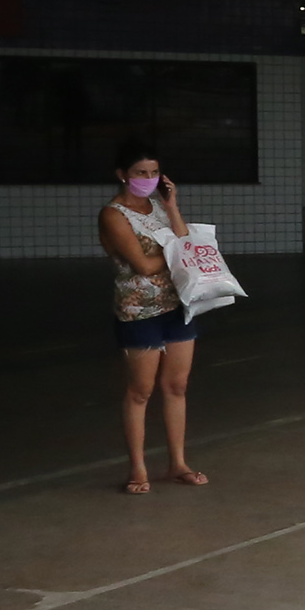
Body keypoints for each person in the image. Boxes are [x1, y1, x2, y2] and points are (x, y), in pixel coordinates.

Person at [100, 140, 204, 494]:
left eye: (154, 172)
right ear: (122, 175)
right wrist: (178, 256)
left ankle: (178, 462)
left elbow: (185, 241)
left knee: (177, 386)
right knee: (140, 391)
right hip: (139, 311)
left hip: (178, 306)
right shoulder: (114, 215)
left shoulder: (160, 208)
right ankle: (138, 469)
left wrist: (172, 208)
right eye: (140, 173)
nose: (148, 178)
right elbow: (143, 266)